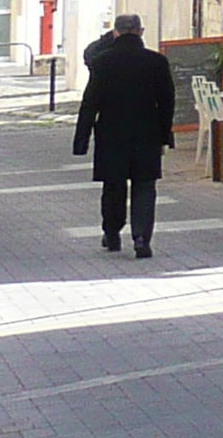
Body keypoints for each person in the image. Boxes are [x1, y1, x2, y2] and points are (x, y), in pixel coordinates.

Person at [72, 14, 176, 258]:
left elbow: (90, 103)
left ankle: (112, 233)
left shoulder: (103, 62)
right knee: (145, 187)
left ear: (116, 33)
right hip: (146, 135)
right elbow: (167, 102)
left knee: (113, 186)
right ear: (141, 31)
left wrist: (81, 140)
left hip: (111, 135)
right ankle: (141, 238)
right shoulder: (157, 62)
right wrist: (164, 136)